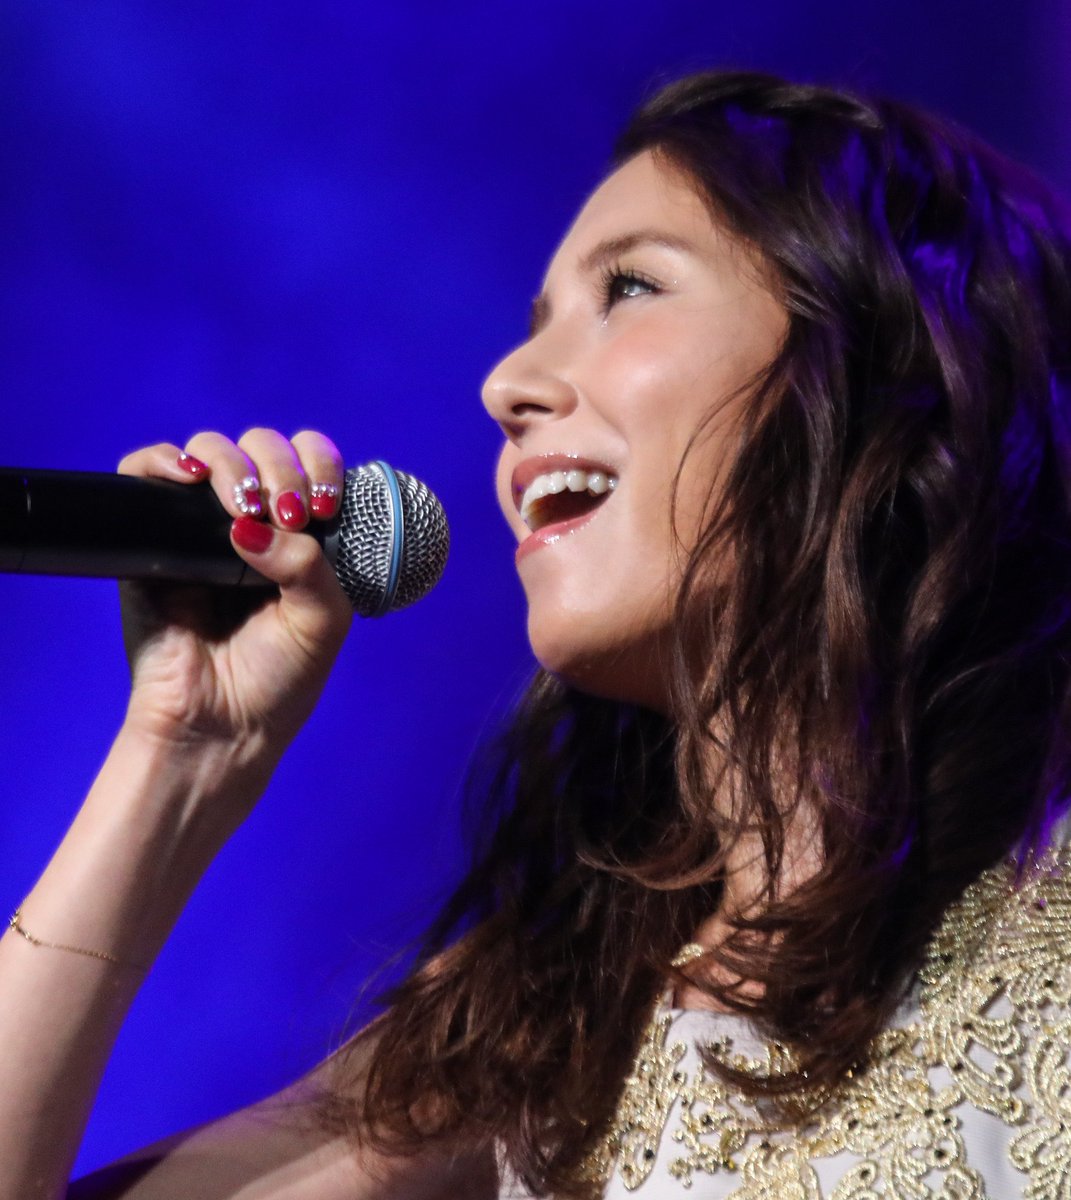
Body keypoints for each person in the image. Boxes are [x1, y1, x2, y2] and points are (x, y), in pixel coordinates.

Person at [3, 68, 1071, 1199]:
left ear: (881, 364)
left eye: (631, 288)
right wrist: (181, 754)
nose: (507, 384)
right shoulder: (549, 1015)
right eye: (532, 329)